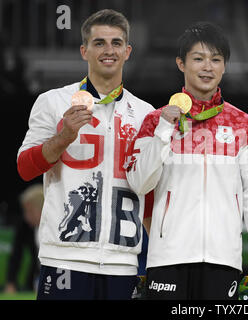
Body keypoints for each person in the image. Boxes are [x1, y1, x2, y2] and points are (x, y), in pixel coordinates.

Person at [126, 21, 248, 300]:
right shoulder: (155, 121)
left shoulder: (245, 125)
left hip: (223, 259)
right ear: (181, 63)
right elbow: (138, 182)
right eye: (198, 58)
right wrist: (164, 131)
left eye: (216, 60)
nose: (208, 67)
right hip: (168, 258)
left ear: (225, 67)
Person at [16, 9, 154, 300]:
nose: (109, 50)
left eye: (116, 43)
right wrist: (64, 137)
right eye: (99, 43)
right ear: (84, 50)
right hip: (64, 259)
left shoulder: (145, 114)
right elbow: (25, 168)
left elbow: (151, 192)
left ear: (128, 51)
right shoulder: (52, 102)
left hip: (122, 262)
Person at [4, 184, 43, 294]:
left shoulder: (56, 229)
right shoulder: (25, 226)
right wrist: (11, 282)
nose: (26, 216)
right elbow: (16, 255)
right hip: (36, 279)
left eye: (29, 211)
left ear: (41, 208)